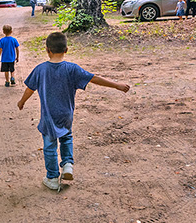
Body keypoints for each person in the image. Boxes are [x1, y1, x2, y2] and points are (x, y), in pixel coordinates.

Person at [16, 32, 130, 190]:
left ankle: (52, 178)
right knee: (66, 137)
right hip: (66, 114)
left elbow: (30, 89)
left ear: (47, 50)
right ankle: (68, 164)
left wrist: (22, 102)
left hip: (49, 116)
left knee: (49, 146)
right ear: (66, 50)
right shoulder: (72, 69)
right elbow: (94, 78)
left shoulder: (40, 69)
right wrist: (116, 85)